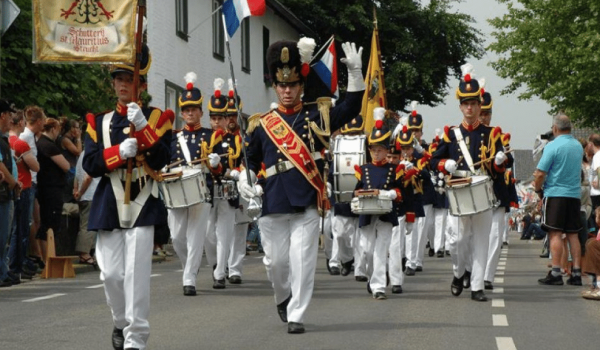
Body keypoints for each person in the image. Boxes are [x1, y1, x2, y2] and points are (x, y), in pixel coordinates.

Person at [238, 39, 365, 334]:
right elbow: (250, 161)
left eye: (292, 85)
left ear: (300, 84)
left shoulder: (316, 114)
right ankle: (282, 296)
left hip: (307, 199)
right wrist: (247, 178)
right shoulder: (261, 124)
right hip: (272, 201)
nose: (287, 91)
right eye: (282, 86)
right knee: (276, 263)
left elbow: (351, 107)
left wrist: (356, 75)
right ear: (274, 87)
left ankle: (297, 314)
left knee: (303, 260)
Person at [83, 44, 174, 350]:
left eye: (129, 79)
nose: (123, 84)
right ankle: (120, 321)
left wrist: (144, 128)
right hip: (110, 202)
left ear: (142, 84)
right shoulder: (99, 122)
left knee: (136, 276)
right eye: (118, 78)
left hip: (143, 202)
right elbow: (91, 164)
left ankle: (136, 339)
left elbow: (162, 158)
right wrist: (118, 153)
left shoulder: (158, 118)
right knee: (109, 274)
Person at [430, 63, 509, 302]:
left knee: (482, 240)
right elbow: (433, 160)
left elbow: (502, 164)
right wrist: (445, 165)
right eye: (466, 104)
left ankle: (477, 287)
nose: (470, 108)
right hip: (459, 191)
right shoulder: (450, 133)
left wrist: (498, 160)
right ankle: (458, 272)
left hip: (484, 192)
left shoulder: (492, 133)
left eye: (474, 104)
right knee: (458, 240)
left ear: (479, 105)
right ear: (461, 106)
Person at [167, 72, 219, 296]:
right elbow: (166, 162)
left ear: (200, 112)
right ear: (182, 113)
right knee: (178, 237)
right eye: (186, 110)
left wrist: (216, 163)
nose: (190, 113)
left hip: (201, 190)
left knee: (196, 236)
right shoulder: (172, 137)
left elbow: (219, 168)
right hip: (177, 189)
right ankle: (189, 265)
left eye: (194, 109)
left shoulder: (211, 136)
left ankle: (189, 278)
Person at [355, 108, 407, 300]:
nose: (376, 153)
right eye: (373, 150)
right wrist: (359, 194)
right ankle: (372, 277)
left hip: (385, 213)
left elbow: (401, 192)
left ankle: (378, 287)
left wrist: (391, 193)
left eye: (380, 150)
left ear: (386, 151)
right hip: (367, 213)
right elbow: (355, 190)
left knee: (380, 250)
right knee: (367, 250)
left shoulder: (395, 169)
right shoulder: (363, 169)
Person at [534, 113, 584, 286]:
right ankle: (576, 272)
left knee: (555, 232)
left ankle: (556, 272)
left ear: (555, 128)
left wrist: (537, 188)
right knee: (573, 234)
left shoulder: (553, 146)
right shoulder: (578, 146)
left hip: (556, 193)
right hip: (574, 194)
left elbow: (540, 172)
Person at [204, 77, 238, 289]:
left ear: (227, 119)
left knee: (224, 233)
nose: (216, 122)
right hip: (207, 190)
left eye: (220, 118)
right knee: (208, 233)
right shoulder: (204, 138)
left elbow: (242, 163)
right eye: (213, 118)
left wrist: (234, 172)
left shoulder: (235, 140)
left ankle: (219, 274)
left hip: (227, 189)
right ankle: (217, 262)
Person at [477, 89, 514, 290]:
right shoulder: (465, 134)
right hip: (473, 193)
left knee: (494, 236)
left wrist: (503, 159)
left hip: (495, 192)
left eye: (487, 113)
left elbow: (510, 160)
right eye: (481, 113)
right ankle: (473, 270)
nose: (484, 117)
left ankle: (487, 276)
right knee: (471, 237)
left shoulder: (497, 135)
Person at [8, 110, 40, 279]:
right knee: (21, 229)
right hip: (24, 186)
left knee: (13, 229)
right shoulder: (20, 144)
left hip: (13, 186)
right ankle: (16, 266)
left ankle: (13, 265)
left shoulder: (7, 141)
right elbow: (36, 167)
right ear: (20, 122)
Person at [36, 118, 70, 254]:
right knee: (50, 223)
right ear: (53, 129)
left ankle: (45, 256)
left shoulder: (40, 143)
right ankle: (49, 257)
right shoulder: (48, 145)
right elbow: (66, 166)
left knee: (46, 221)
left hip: (46, 187)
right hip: (51, 187)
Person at [0, 99, 19, 287]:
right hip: (3, 193)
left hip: (5, 193)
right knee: (2, 234)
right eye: (9, 116)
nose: (11, 121)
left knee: (4, 235)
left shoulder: (3, 138)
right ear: (3, 115)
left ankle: (3, 271)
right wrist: (13, 182)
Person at [73, 150, 100, 265]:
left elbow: (77, 174)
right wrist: (80, 191)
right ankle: (84, 253)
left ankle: (90, 252)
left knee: (89, 224)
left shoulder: (83, 154)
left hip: (85, 195)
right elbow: (88, 177)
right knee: (87, 225)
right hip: (90, 194)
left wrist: (76, 190)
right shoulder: (92, 154)